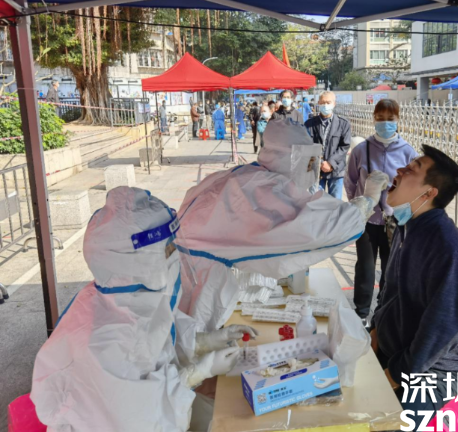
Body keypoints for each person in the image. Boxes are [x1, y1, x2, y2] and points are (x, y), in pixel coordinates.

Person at [30, 187, 257, 432]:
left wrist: (210, 340)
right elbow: (145, 417)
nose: (175, 256)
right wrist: (199, 371)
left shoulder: (128, 294)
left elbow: (161, 339)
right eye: (168, 250)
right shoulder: (105, 343)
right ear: (135, 259)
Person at [175, 118, 390, 334]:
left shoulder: (244, 174)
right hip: (197, 280)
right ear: (292, 158)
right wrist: (369, 199)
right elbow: (315, 227)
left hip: (189, 268)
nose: (310, 169)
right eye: (308, 162)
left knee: (190, 337)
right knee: (192, 340)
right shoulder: (261, 188)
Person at [370, 145, 458, 427]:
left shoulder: (448, 246)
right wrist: (375, 329)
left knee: (382, 425)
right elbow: (389, 290)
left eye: (411, 170)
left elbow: (445, 327)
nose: (399, 171)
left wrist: (396, 374)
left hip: (430, 370)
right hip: (394, 348)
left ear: (429, 193)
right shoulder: (406, 226)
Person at [345, 99, 418, 326]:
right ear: (374, 119)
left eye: (390, 119)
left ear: (398, 120)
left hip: (394, 222)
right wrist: (360, 206)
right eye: (380, 118)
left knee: (390, 269)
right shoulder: (361, 149)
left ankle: (383, 312)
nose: (385, 123)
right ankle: (361, 313)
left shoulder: (408, 152)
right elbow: (350, 182)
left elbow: (414, 187)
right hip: (366, 221)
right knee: (365, 268)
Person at [305, 91, 350, 199]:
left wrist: (330, 163)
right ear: (318, 103)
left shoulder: (343, 124)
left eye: (328, 102)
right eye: (323, 102)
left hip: (336, 170)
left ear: (334, 104)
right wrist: (320, 162)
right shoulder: (309, 124)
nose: (325, 105)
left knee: (335, 203)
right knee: (315, 202)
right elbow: (306, 145)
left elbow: (344, 146)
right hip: (316, 170)